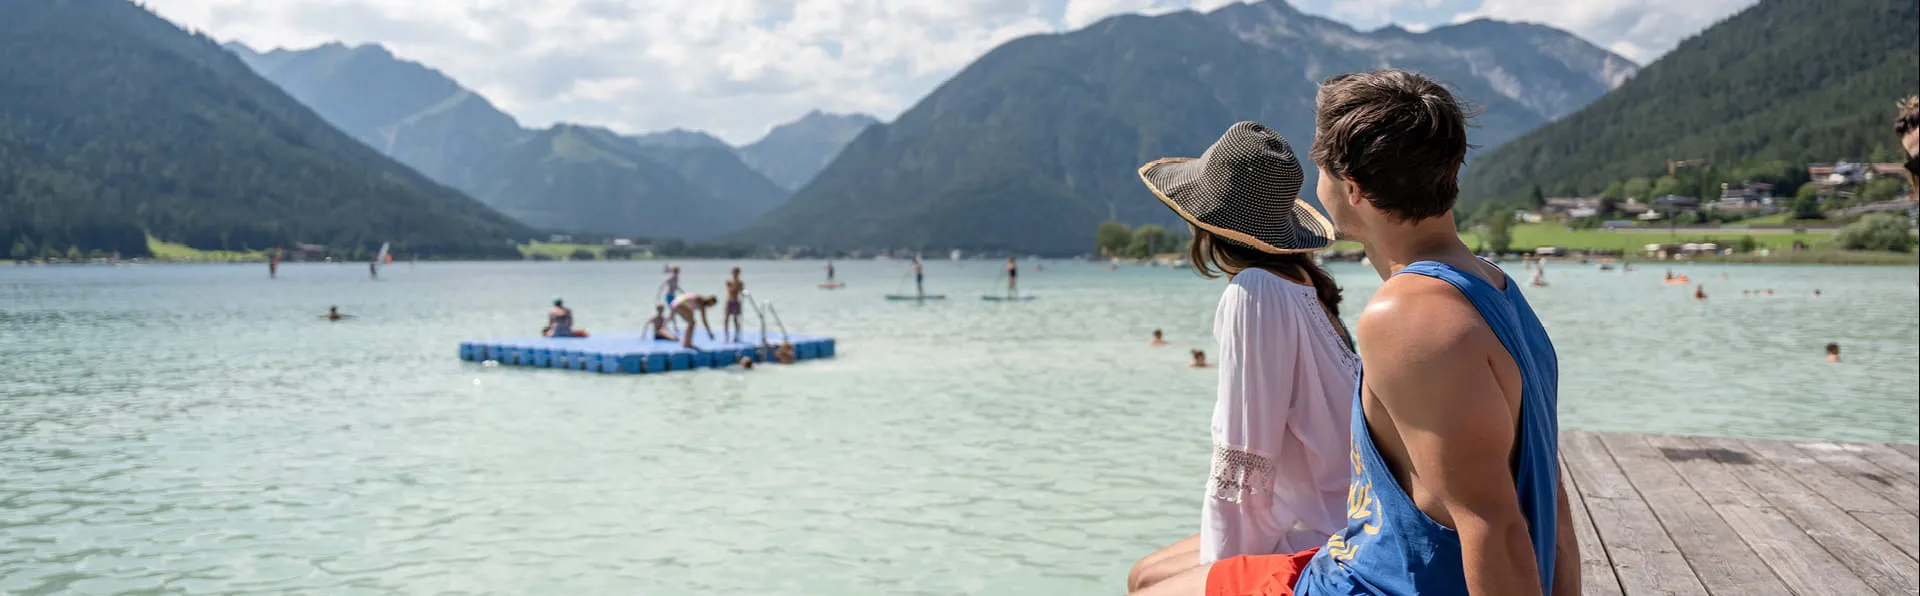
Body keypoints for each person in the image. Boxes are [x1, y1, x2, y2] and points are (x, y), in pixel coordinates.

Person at [1134, 70, 1575, 596]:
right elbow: (1552, 509)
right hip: (1365, 556)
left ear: (1352, 188)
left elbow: (1493, 526)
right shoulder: (1495, 287)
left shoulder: (1409, 315)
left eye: (1318, 166)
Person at [1127, 121, 1360, 592]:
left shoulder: (1254, 292)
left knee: (1147, 585)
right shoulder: (1300, 283)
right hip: (1339, 513)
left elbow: (1245, 455)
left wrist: (1221, 570)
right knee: (1142, 574)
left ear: (1204, 223)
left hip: (1327, 535)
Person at [724, 267, 746, 342]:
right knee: (726, 319)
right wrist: (735, 284)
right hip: (729, 301)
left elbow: (742, 292)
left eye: (736, 273)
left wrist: (742, 290)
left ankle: (736, 337)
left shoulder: (740, 283)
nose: (735, 274)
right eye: (734, 272)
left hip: (736, 301)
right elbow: (731, 290)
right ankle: (726, 337)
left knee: (735, 319)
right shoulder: (729, 281)